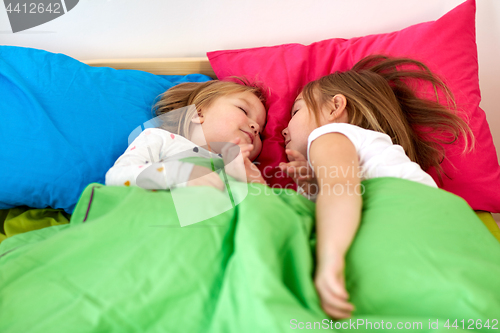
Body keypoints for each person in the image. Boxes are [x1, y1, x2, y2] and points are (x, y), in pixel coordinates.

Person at [279, 55, 473, 319]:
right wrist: (312, 187)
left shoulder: (329, 134)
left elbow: (341, 189)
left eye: (296, 111)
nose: (282, 130)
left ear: (334, 107)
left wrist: (330, 260)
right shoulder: (379, 150)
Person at [106, 80, 267, 190]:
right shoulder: (161, 139)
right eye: (243, 110)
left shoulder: (243, 171)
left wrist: (257, 183)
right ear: (197, 113)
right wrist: (180, 175)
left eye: (261, 132)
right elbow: (116, 177)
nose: (255, 127)